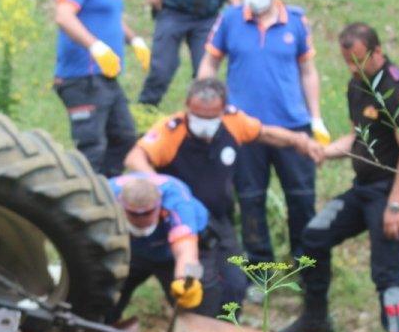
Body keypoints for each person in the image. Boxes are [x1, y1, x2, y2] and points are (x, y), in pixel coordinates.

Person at [281, 23, 399, 332]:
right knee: (314, 237)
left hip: (392, 192)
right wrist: (324, 151)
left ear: (377, 52)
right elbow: (358, 137)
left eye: (357, 61)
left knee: (386, 272)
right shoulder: (356, 85)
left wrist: (396, 205)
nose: (352, 69)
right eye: (347, 62)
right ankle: (315, 317)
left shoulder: (397, 88)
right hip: (364, 190)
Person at [124, 77, 324, 312]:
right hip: (181, 220)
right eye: (198, 116)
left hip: (219, 220)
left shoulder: (233, 122)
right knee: (194, 283)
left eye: (211, 117)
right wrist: (161, 186)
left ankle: (227, 324)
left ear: (222, 110)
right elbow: (134, 158)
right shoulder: (171, 131)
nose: (204, 123)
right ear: (187, 106)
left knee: (234, 284)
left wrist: (299, 141)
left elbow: (264, 133)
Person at [197, 0, 328, 274]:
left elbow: (308, 71)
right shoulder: (230, 20)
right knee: (250, 201)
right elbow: (210, 64)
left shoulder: (295, 22)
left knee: (301, 199)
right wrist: (206, 102)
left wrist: (316, 118)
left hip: (292, 126)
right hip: (245, 130)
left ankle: (305, 268)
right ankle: (260, 271)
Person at [53, 0, 150, 177]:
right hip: (82, 77)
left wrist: (135, 40)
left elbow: (110, 18)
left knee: (124, 138)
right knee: (92, 148)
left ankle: (107, 190)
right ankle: (83, 195)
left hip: (106, 76)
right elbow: (64, 15)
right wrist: (95, 46)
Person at [105, 172, 226, 322]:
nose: (141, 218)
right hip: (132, 251)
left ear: (159, 203)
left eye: (147, 213)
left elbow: (187, 252)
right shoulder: (106, 195)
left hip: (183, 249)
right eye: (133, 214)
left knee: (197, 298)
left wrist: (186, 280)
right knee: (103, 294)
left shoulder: (178, 201)